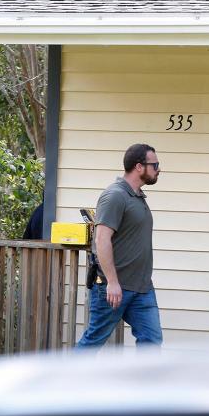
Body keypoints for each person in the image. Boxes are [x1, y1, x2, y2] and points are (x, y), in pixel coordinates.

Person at [77, 143, 163, 348]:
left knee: (151, 340)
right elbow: (101, 240)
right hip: (115, 287)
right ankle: (66, 380)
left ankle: (144, 381)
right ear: (139, 167)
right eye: (155, 164)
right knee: (93, 342)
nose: (159, 169)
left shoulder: (137, 197)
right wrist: (112, 282)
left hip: (142, 288)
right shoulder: (115, 195)